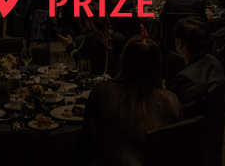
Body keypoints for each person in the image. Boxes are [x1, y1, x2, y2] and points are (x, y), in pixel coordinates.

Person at [74, 36, 182, 166]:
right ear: (158, 66)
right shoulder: (172, 101)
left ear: (123, 61)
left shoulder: (102, 92)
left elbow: (86, 143)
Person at [170, 17, 225, 119]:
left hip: (193, 127)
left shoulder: (185, 79)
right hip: (213, 123)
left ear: (179, 43)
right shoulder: (214, 61)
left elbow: (176, 116)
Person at [57, 1, 124, 76]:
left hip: (95, 81)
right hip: (110, 80)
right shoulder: (112, 37)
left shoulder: (92, 37)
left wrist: (70, 47)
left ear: (84, 20)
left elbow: (86, 69)